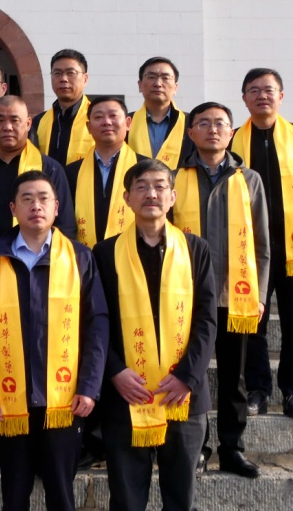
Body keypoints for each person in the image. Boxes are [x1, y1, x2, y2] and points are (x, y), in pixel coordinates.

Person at [0, 171, 109, 511]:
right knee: (14, 496)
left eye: (44, 198)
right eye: (27, 199)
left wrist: (89, 386)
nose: (36, 206)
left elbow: (97, 325)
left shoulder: (79, 257)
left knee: (61, 494)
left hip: (63, 399)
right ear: (13, 208)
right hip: (9, 398)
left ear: (57, 207)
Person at [93, 159, 217, 511]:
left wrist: (187, 377)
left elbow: (206, 320)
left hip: (182, 395)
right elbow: (97, 321)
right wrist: (115, 371)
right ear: (127, 198)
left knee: (181, 498)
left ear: (173, 196)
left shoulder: (195, 249)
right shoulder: (105, 253)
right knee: (127, 499)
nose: (151, 194)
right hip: (127, 392)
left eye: (160, 186)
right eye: (142, 187)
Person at [172, 102, 269, 478]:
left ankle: (232, 448)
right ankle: (197, 447)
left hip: (234, 294)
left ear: (231, 132)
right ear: (191, 132)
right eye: (204, 123)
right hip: (187, 295)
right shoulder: (174, 178)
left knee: (234, 378)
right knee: (192, 374)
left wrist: (260, 294)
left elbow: (261, 243)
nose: (212, 129)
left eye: (220, 124)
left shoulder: (249, 179)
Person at [235, 68, 293, 421]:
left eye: (269, 89)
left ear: (281, 96)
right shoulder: (233, 141)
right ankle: (257, 391)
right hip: (249, 250)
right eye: (254, 90)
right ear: (244, 98)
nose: (262, 95)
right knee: (252, 324)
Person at [0, 95, 75, 252]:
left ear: (28, 124)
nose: (7, 127)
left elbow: (65, 226)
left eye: (15, 120)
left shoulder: (49, 168)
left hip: (37, 258)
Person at [65, 96, 139, 248]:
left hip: (134, 253)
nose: (107, 122)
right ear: (88, 127)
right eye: (98, 117)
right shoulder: (71, 172)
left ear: (128, 123)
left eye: (113, 116)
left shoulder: (145, 169)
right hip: (83, 256)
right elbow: (65, 223)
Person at [126, 57, 193, 170]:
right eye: (151, 77)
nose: (158, 84)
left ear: (175, 87)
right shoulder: (125, 123)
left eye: (165, 78)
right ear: (140, 85)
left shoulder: (191, 123)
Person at [30, 49, 93, 166]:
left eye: (70, 73)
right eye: (57, 73)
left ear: (85, 79)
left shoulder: (97, 118)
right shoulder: (39, 122)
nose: (63, 79)